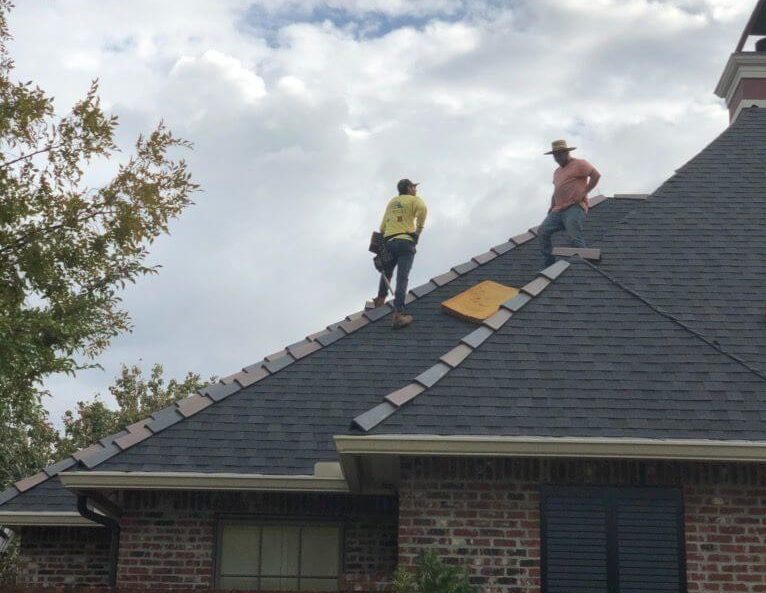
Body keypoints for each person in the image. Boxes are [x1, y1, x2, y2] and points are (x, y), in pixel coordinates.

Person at [373, 178, 428, 329]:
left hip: (389, 242)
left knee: (387, 272)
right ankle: (398, 315)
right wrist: (418, 231)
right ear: (409, 188)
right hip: (405, 242)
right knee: (402, 278)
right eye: (414, 187)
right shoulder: (414, 200)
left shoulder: (392, 202)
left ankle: (379, 301)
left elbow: (382, 227)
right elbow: (423, 209)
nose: (416, 190)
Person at [539, 139, 601, 267]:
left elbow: (596, 175)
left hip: (574, 207)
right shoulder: (557, 172)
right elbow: (557, 189)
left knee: (575, 237)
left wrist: (584, 192)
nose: (557, 157)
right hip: (558, 210)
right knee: (543, 231)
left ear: (566, 153)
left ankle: (588, 266)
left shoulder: (580, 164)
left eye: (560, 154)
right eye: (555, 155)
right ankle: (549, 264)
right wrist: (551, 206)